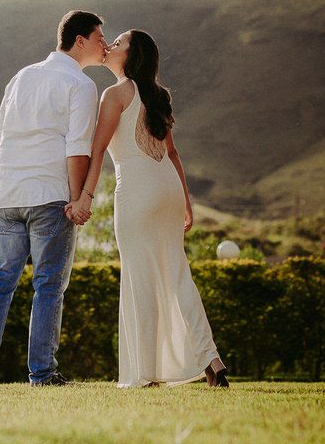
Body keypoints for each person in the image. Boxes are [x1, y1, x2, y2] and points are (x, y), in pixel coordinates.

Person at [67, 29, 229, 388]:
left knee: (141, 280)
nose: (110, 45)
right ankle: (211, 359)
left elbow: (97, 152)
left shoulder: (115, 94)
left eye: (119, 42)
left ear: (132, 56)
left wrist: (84, 198)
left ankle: (145, 374)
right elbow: (172, 153)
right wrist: (185, 202)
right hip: (167, 189)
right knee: (177, 276)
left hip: (138, 191)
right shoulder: (157, 96)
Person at [0, 10, 107, 389]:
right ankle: (43, 374)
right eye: (99, 38)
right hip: (50, 197)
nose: (104, 45)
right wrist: (78, 200)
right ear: (80, 40)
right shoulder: (80, 84)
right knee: (48, 285)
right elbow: (77, 150)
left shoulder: (21, 76)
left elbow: (1, 136)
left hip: (6, 195)